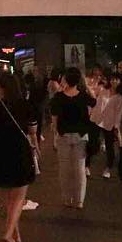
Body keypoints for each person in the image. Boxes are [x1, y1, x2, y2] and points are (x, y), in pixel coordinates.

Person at [0, 71, 38, 242]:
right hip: (21, 152)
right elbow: (32, 130)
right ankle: (8, 234)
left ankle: (14, 234)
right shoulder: (25, 105)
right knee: (19, 198)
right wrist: (36, 147)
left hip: (1, 152)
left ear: (1, 88)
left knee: (9, 198)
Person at [49, 67, 95, 209]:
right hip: (81, 136)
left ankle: (67, 199)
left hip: (64, 135)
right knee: (80, 169)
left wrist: (55, 134)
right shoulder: (83, 96)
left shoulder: (58, 97)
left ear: (66, 80)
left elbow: (55, 119)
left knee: (64, 169)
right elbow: (95, 103)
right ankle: (79, 200)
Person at [93, 74, 122, 178]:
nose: (114, 81)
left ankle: (108, 168)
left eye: (117, 80)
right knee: (92, 143)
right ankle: (86, 165)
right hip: (98, 120)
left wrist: (116, 125)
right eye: (113, 79)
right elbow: (97, 105)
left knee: (110, 146)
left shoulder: (120, 97)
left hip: (110, 123)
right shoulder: (103, 91)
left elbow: (119, 112)